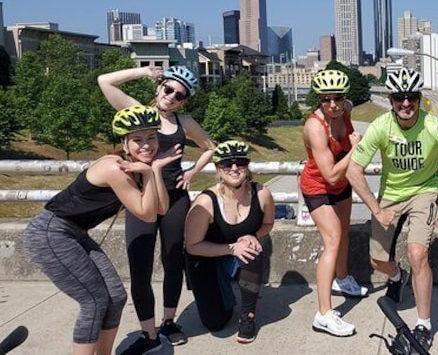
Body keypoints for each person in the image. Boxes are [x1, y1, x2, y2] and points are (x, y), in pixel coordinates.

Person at [346, 67, 438, 351]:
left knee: (417, 253)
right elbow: (353, 171)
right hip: (391, 194)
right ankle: (397, 276)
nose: (406, 103)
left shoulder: (432, 125)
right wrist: (377, 209)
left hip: (424, 191)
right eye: (399, 98)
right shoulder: (381, 126)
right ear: (391, 100)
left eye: (411, 97)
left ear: (419, 99)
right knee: (377, 262)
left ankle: (424, 324)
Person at [24, 106, 174, 355]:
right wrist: (148, 174)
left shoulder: (139, 168)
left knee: (115, 296)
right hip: (51, 233)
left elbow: (161, 208)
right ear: (124, 143)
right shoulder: (115, 168)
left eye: (152, 138)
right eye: (137, 140)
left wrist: (155, 171)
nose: (146, 145)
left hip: (75, 233)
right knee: (93, 301)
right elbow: (146, 213)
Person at [98, 65, 215, 354]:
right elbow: (104, 81)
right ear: (159, 87)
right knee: (140, 268)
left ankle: (168, 322)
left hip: (175, 199)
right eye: (168, 89)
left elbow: (209, 147)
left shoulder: (183, 121)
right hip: (141, 199)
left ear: (183, 101)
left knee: (173, 260)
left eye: (179, 95)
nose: (171, 97)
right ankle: (149, 334)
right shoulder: (139, 111)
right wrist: (144, 71)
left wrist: (191, 173)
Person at [184, 140, 275, 344]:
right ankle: (223, 295)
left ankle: (248, 316)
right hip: (206, 258)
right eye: (227, 164)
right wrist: (231, 248)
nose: (234, 168)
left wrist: (255, 234)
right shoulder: (206, 201)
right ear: (218, 168)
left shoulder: (261, 193)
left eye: (240, 163)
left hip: (239, 254)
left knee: (252, 249)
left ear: (247, 166)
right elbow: (192, 246)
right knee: (216, 323)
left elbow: (268, 223)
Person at [300, 69, 367, 337]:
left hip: (341, 186)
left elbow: (340, 176)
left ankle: (342, 278)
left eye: (337, 98)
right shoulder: (315, 127)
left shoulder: (346, 109)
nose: (333, 105)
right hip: (318, 187)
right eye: (326, 99)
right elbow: (329, 173)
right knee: (333, 240)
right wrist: (355, 149)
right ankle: (324, 314)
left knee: (345, 233)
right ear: (318, 99)